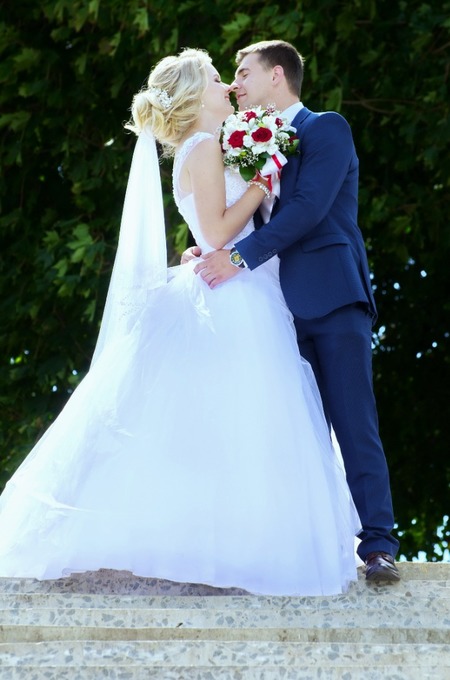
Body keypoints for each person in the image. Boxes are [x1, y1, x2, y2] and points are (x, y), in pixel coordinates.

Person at [0, 48, 361, 596]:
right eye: (217, 79)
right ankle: (246, 546)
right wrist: (262, 184)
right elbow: (217, 233)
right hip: (235, 293)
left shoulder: (200, 146)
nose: (227, 87)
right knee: (248, 419)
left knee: (216, 420)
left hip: (232, 282)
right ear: (195, 95)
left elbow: (205, 232)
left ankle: (221, 542)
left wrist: (216, 230)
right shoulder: (206, 147)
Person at [192, 40, 400, 582]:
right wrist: (208, 249)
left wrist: (238, 257)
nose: (235, 84)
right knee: (292, 429)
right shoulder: (242, 143)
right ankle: (304, 548)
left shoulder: (326, 129)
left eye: (243, 73)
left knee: (353, 419)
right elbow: (244, 216)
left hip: (330, 296)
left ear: (277, 75)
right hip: (272, 307)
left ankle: (378, 545)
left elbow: (307, 208)